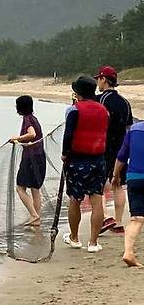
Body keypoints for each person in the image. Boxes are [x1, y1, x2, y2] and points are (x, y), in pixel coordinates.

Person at [62, 76, 109, 253]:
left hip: (77, 160)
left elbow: (68, 135)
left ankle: (74, 238)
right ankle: (93, 242)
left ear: (78, 92)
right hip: (98, 159)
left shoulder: (73, 110)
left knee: (75, 199)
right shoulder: (104, 110)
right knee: (96, 199)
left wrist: (65, 154)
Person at [94, 66, 134, 235]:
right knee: (119, 184)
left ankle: (105, 217)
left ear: (104, 79)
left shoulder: (100, 100)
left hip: (104, 147)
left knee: (99, 185)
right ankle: (118, 221)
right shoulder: (125, 102)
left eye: (99, 79)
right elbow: (129, 126)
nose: (97, 82)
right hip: (122, 147)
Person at [9, 95, 46, 226]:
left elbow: (32, 134)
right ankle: (37, 219)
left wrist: (17, 138)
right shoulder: (34, 118)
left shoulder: (27, 119)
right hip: (39, 156)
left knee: (20, 188)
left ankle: (34, 215)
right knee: (35, 189)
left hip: (31, 159)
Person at [113, 120, 144, 266]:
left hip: (134, 178)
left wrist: (115, 175)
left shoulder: (134, 129)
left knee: (136, 219)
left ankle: (128, 252)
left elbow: (122, 155)